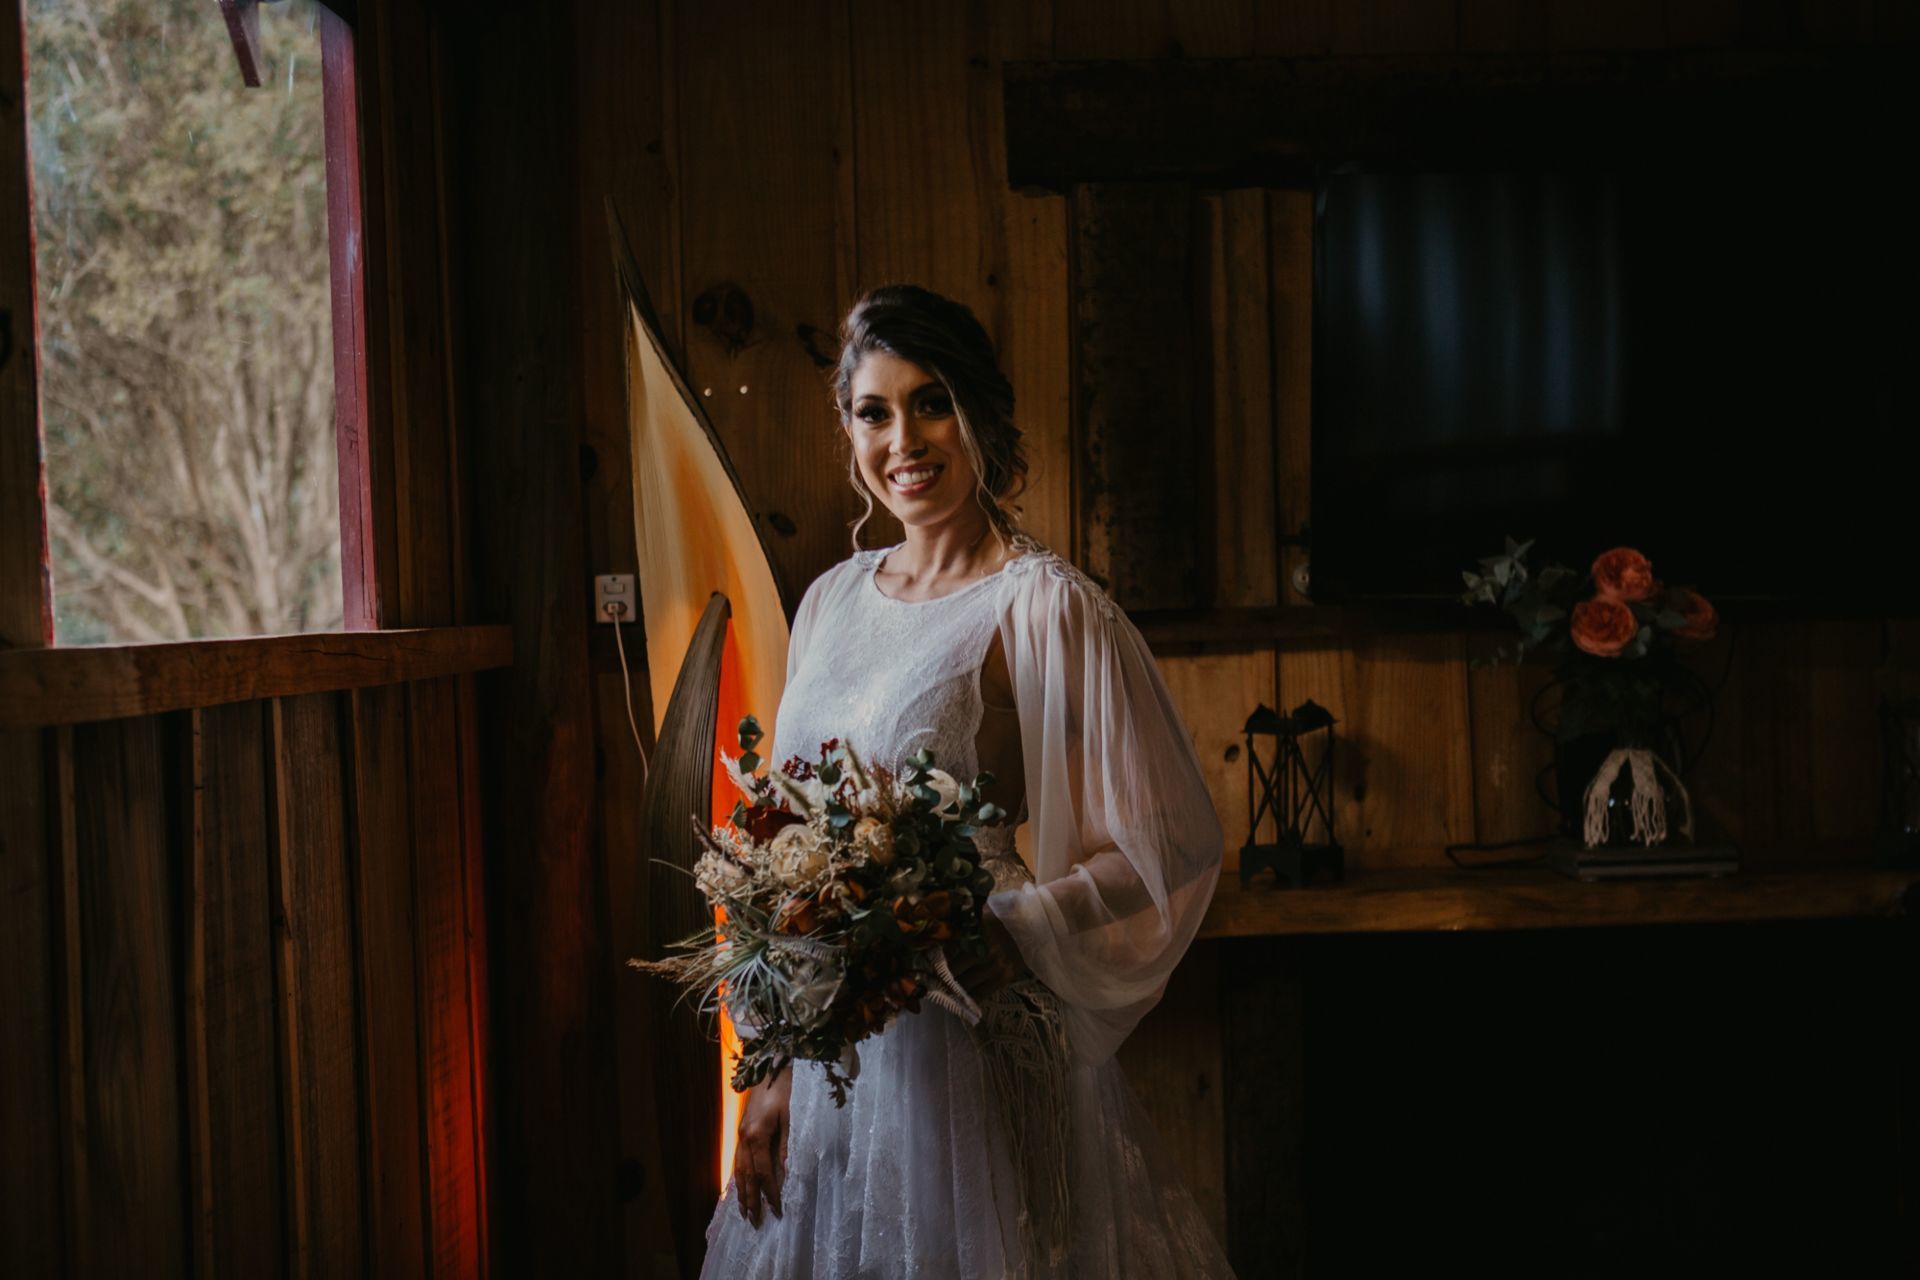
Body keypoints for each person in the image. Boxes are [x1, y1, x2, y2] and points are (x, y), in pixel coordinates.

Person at [699, 284, 1234, 1278]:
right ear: (849, 426)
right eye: (874, 410)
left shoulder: (1041, 606)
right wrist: (768, 1072)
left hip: (965, 1044)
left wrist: (1017, 923)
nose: (904, 437)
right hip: (827, 1074)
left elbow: (1167, 839)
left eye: (931, 400)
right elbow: (784, 844)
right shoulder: (830, 598)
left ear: (979, 409)